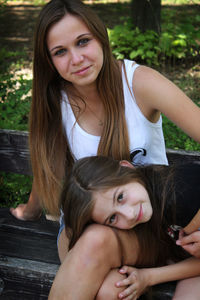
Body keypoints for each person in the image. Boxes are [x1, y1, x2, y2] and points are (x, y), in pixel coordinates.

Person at [7, 0, 200, 297]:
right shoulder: (53, 104)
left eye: (83, 42)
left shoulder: (138, 83)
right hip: (88, 228)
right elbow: (47, 166)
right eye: (60, 52)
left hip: (160, 224)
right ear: (49, 61)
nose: (77, 59)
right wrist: (30, 210)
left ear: (101, 36)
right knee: (110, 281)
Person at [59, 155, 200, 299]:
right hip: (178, 257)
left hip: (191, 266)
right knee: (112, 289)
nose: (129, 214)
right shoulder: (144, 214)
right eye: (112, 218)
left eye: (120, 197)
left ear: (127, 167)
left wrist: (150, 276)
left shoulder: (180, 193)